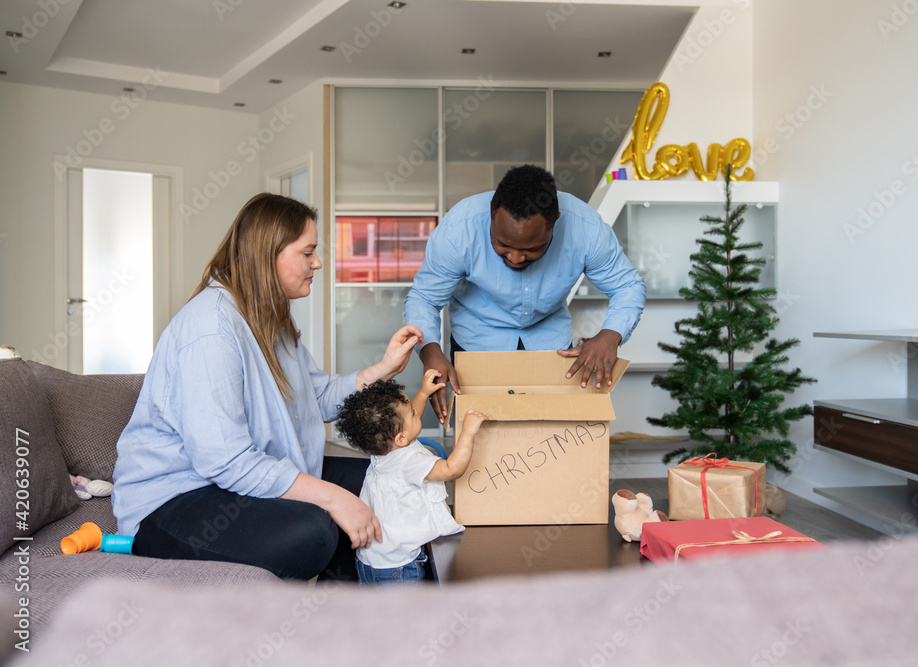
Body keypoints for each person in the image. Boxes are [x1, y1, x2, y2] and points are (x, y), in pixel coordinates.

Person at [112, 193, 424, 581]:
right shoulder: (211, 328)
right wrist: (333, 497)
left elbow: (317, 398)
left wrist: (384, 367)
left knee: (394, 480)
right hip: (177, 499)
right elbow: (225, 461)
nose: (317, 263)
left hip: (239, 479)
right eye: (307, 252)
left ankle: (372, 604)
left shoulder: (269, 319)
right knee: (314, 532)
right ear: (268, 255)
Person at [405, 164, 646, 423]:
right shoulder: (459, 229)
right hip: (476, 341)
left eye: (532, 249)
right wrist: (430, 351)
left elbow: (627, 285)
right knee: (478, 438)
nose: (516, 257)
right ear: (491, 213)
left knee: (550, 434)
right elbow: (424, 298)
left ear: (555, 222)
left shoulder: (585, 228)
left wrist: (610, 335)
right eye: (503, 244)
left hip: (550, 343)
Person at [335, 369, 488, 585]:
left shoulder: (384, 449)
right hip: (399, 568)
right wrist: (468, 432)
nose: (417, 411)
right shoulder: (409, 461)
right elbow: (451, 469)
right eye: (414, 414)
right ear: (401, 438)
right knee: (407, 608)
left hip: (371, 560)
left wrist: (424, 393)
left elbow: (407, 421)